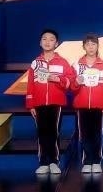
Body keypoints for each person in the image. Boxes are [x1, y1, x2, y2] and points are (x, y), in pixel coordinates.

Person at [26, 28, 74, 176]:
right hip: (39, 103)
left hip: (56, 103)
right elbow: (30, 85)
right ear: (40, 42)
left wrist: (57, 79)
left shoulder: (63, 62)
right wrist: (31, 104)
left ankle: (54, 162)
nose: (48, 42)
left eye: (51, 39)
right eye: (44, 39)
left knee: (53, 131)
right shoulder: (35, 63)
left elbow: (70, 82)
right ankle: (43, 162)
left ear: (56, 44)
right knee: (41, 132)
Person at [71, 34, 103, 174]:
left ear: (97, 46)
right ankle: (87, 161)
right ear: (83, 46)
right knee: (84, 134)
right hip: (82, 106)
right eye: (88, 44)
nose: (91, 47)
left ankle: (96, 161)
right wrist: (76, 82)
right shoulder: (77, 65)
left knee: (97, 134)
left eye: (93, 44)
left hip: (99, 107)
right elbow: (72, 87)